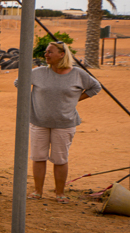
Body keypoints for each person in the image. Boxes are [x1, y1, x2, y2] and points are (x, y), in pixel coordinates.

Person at [18, 41, 101, 203]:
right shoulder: (39, 72)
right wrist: (33, 101)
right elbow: (19, 83)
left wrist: (75, 100)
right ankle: (37, 191)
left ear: (61, 55)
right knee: (38, 157)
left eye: (50, 52)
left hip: (65, 123)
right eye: (46, 52)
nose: (46, 54)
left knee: (60, 158)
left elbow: (95, 87)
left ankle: (60, 193)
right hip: (38, 121)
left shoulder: (77, 74)